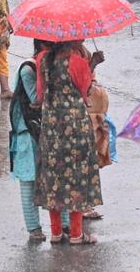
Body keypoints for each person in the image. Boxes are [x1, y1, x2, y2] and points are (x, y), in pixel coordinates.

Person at [34, 40, 103, 245]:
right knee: (77, 176)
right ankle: (76, 234)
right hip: (75, 127)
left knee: (53, 175)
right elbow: (85, 92)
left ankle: (56, 232)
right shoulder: (77, 62)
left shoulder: (42, 60)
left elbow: (40, 94)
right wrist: (93, 65)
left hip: (51, 126)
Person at [9, 40, 50, 239]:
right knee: (28, 179)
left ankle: (65, 226)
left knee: (56, 178)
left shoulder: (43, 67)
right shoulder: (28, 69)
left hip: (43, 129)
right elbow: (35, 99)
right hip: (27, 129)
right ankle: (34, 228)